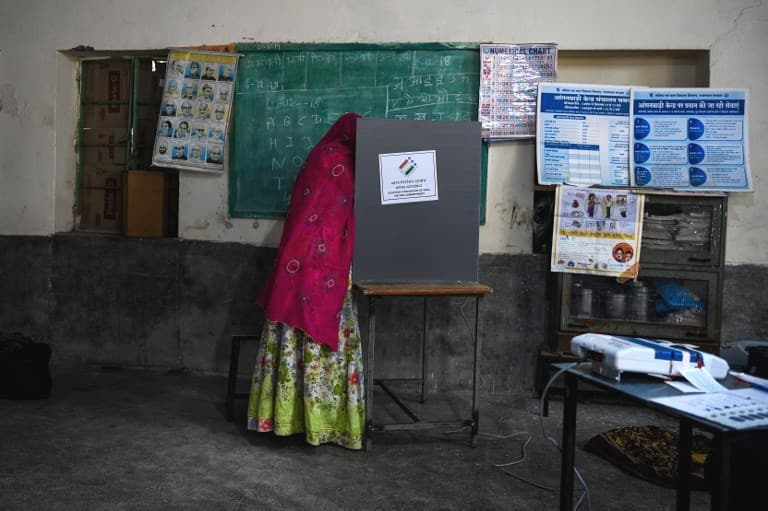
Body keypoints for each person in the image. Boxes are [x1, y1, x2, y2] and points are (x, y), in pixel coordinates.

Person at [247, 112, 365, 450]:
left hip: (299, 264)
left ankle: (287, 420)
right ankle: (323, 423)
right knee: (325, 345)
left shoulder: (320, 156)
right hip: (325, 266)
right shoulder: (343, 162)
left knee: (291, 342)